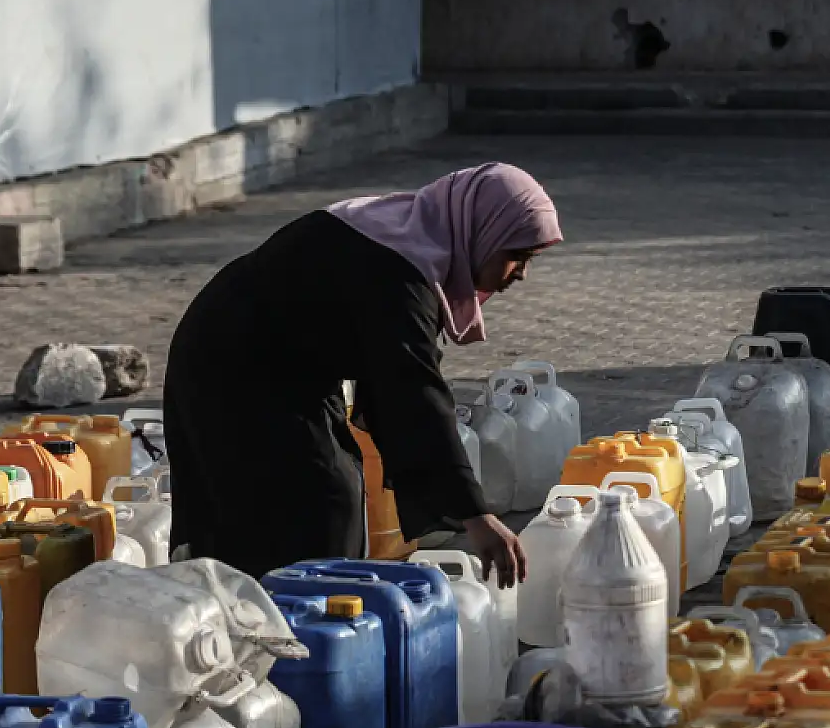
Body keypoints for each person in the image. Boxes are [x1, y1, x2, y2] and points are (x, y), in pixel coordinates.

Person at [163, 162, 563, 587]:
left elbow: (399, 384)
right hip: (234, 372)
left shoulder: (405, 235)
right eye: (516, 256)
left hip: (278, 368)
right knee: (314, 502)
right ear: (482, 232)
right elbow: (414, 394)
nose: (520, 273)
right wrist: (476, 517)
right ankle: (290, 625)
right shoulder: (400, 271)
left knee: (331, 490)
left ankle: (288, 616)